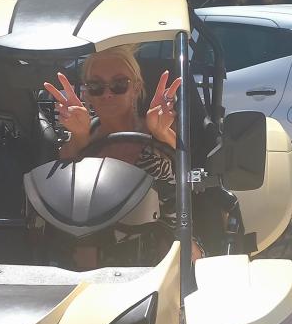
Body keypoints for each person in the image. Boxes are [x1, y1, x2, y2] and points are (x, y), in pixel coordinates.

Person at [43, 46, 203, 259]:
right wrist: (80, 136)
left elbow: (184, 166)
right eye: (96, 86)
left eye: (119, 84)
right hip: (96, 252)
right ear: (87, 93)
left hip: (165, 246)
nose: (107, 93)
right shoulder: (83, 137)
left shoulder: (158, 131)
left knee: (188, 255)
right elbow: (62, 197)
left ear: (136, 88)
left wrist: (162, 133)